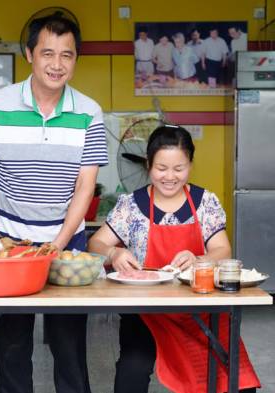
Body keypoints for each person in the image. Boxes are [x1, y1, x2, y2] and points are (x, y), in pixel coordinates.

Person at [0, 13, 108, 393]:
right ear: (30, 54)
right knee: (12, 346)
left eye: (67, 55)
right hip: (9, 242)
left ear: (75, 60)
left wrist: (60, 243)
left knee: (69, 346)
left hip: (66, 241)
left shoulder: (88, 112)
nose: (57, 64)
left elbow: (85, 187)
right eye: (47, 53)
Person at [88, 125, 260, 393]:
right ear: (148, 165)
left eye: (179, 169)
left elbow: (222, 250)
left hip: (200, 309)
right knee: (132, 369)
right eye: (161, 168)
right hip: (145, 312)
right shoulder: (131, 205)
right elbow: (96, 243)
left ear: (190, 165)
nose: (170, 177)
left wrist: (200, 258)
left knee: (236, 376)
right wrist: (114, 252)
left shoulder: (205, 202)